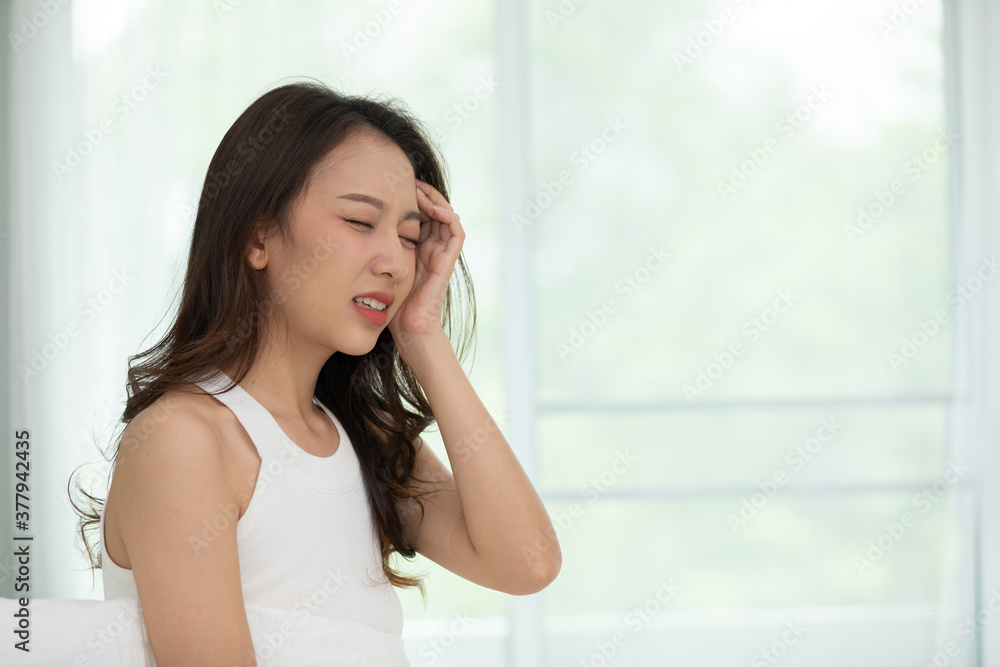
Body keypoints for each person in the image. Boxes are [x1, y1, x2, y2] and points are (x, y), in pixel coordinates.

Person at [3, 80, 561, 666]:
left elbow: (527, 563)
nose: (396, 263)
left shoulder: (361, 432)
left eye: (409, 236)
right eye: (359, 221)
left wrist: (423, 335)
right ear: (257, 236)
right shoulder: (185, 439)